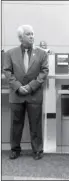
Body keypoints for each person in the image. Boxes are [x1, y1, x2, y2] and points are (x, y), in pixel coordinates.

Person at [3, 25, 49, 160]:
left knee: (36, 123)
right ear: (20, 37)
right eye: (28, 34)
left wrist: (30, 86)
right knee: (16, 123)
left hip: (34, 93)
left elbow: (44, 71)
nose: (31, 36)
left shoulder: (42, 53)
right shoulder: (10, 53)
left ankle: (37, 150)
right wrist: (18, 86)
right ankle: (15, 149)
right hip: (17, 94)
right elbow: (7, 71)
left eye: (32, 34)